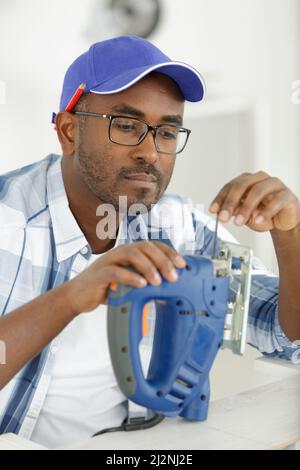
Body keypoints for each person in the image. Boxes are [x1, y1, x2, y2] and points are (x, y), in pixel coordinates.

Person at [0, 35, 299, 448]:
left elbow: (287, 337)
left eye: (167, 132)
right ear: (69, 132)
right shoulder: (8, 218)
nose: (151, 152)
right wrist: (70, 298)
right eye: (126, 126)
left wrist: (290, 235)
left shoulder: (180, 227)